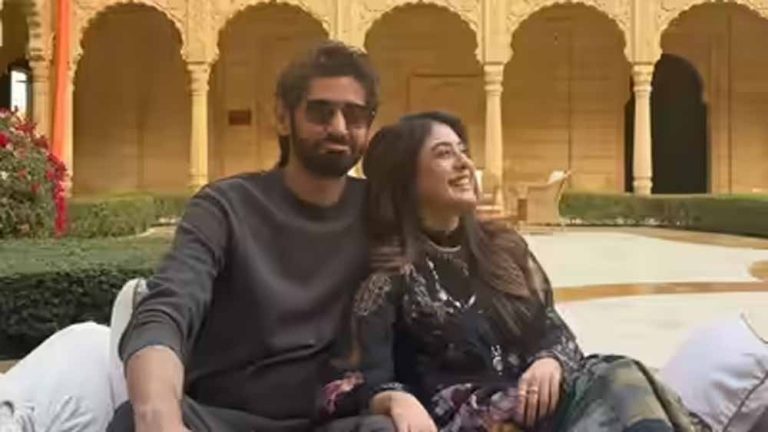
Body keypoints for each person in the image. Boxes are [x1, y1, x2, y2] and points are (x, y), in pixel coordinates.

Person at [325, 112, 711, 432]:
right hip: (469, 421)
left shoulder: (503, 250)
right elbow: (358, 378)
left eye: (463, 151)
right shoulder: (387, 275)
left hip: (537, 409)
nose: (464, 164)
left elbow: (554, 331)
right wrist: (394, 398)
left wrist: (549, 361)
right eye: (444, 154)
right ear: (406, 179)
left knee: (618, 375)